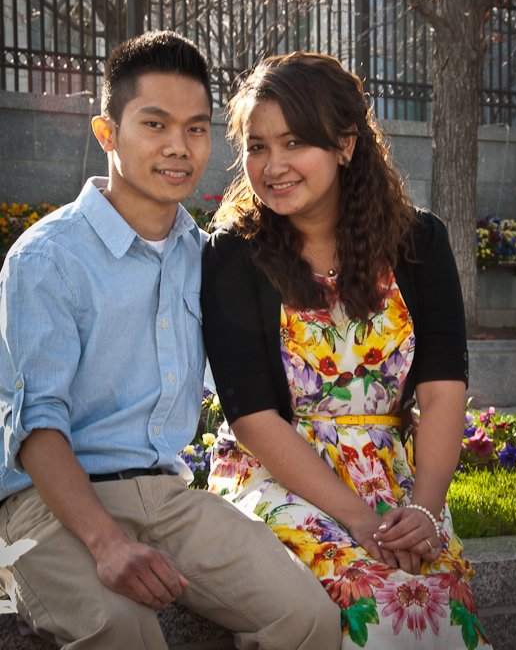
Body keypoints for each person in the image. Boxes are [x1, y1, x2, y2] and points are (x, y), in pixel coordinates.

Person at [0, 32, 342, 650]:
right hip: (48, 504)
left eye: (195, 129)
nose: (178, 147)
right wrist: (107, 543)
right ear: (107, 133)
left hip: (168, 496)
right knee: (121, 628)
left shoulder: (205, 255)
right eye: (155, 124)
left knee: (308, 617)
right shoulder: (47, 258)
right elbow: (36, 425)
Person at [201, 52, 492, 649]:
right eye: (257, 147)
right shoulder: (235, 251)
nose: (273, 166)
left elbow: (443, 393)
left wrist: (426, 511)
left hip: (393, 478)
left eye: (294, 143)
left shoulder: (419, 242)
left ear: (345, 144)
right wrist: (358, 518)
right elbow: (253, 417)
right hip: (276, 474)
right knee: (376, 600)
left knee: (438, 599)